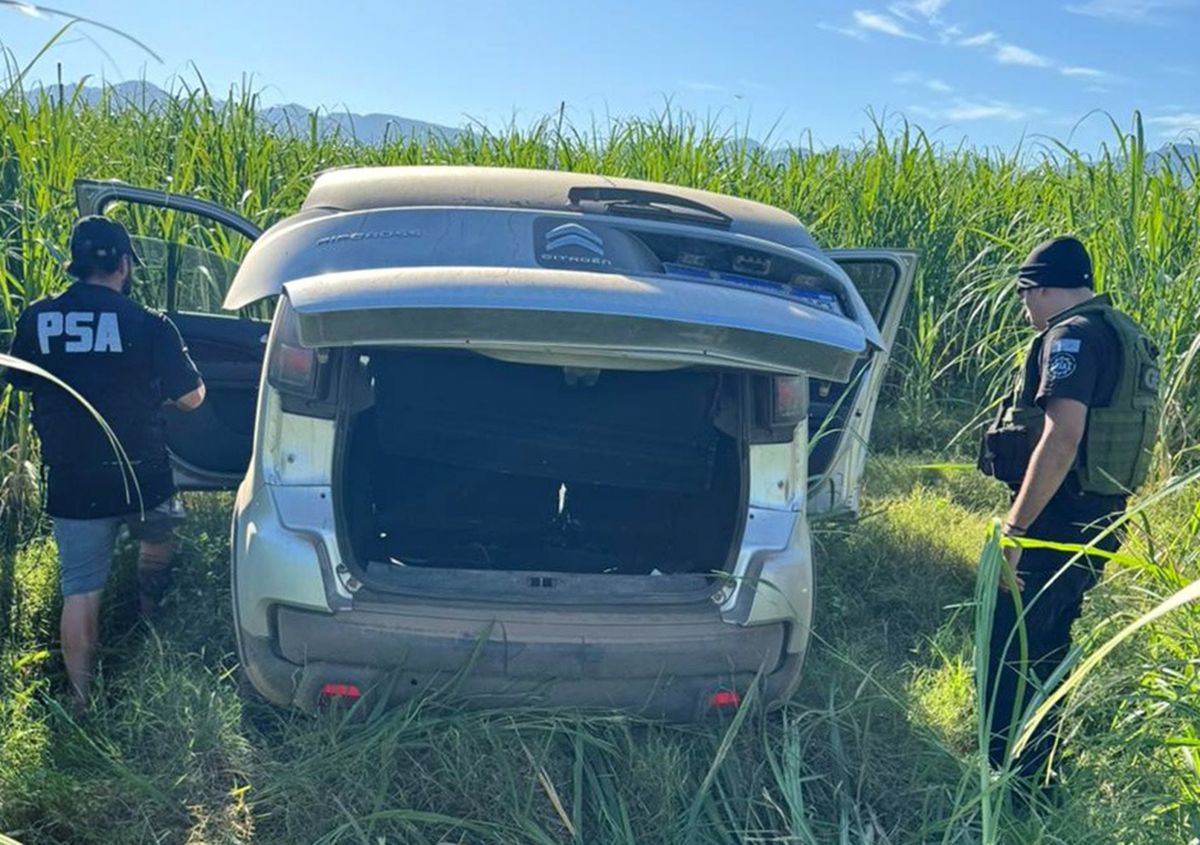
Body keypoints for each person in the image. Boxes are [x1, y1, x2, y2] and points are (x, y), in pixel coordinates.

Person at [977, 235, 1160, 785]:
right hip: (1102, 511)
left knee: (1012, 643)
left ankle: (1005, 779)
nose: (1023, 308)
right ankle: (1041, 766)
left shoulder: (1071, 337)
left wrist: (1015, 530)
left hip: (1058, 518)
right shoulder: (1117, 331)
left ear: (1042, 288)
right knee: (1050, 639)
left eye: (1024, 295)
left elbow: (1061, 438)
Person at [4, 216, 206, 712]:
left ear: (75, 264)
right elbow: (194, 398)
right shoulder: (149, 323)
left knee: (80, 589)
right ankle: (147, 616)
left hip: (74, 481)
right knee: (157, 541)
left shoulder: (36, 319)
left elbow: (22, 380)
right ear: (123, 264)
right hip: (142, 473)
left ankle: (80, 699)